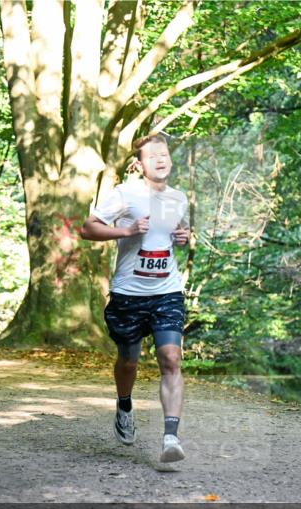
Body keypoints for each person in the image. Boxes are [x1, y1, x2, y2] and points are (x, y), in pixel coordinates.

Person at [80, 134, 191, 464]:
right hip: (129, 295)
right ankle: (124, 404)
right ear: (139, 164)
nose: (161, 159)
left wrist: (184, 236)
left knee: (171, 358)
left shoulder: (177, 198)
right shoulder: (126, 194)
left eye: (165, 154)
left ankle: (171, 436)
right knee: (128, 361)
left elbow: (176, 235)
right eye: (153, 155)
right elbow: (88, 229)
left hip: (167, 292)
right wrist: (126, 232)